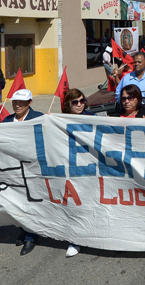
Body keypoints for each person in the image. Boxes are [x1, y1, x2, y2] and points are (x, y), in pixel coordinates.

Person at [0, 89, 44, 254]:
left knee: (31, 202)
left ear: (30, 103)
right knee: (17, 202)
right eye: (15, 102)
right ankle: (24, 228)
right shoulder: (7, 120)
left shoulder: (39, 117)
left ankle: (31, 236)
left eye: (22, 102)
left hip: (32, 168)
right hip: (12, 168)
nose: (17, 105)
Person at [61, 89, 95, 258]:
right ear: (68, 104)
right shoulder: (59, 121)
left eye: (82, 101)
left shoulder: (92, 117)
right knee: (75, 205)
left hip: (92, 167)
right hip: (71, 169)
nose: (79, 104)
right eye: (75, 102)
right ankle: (76, 240)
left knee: (94, 201)